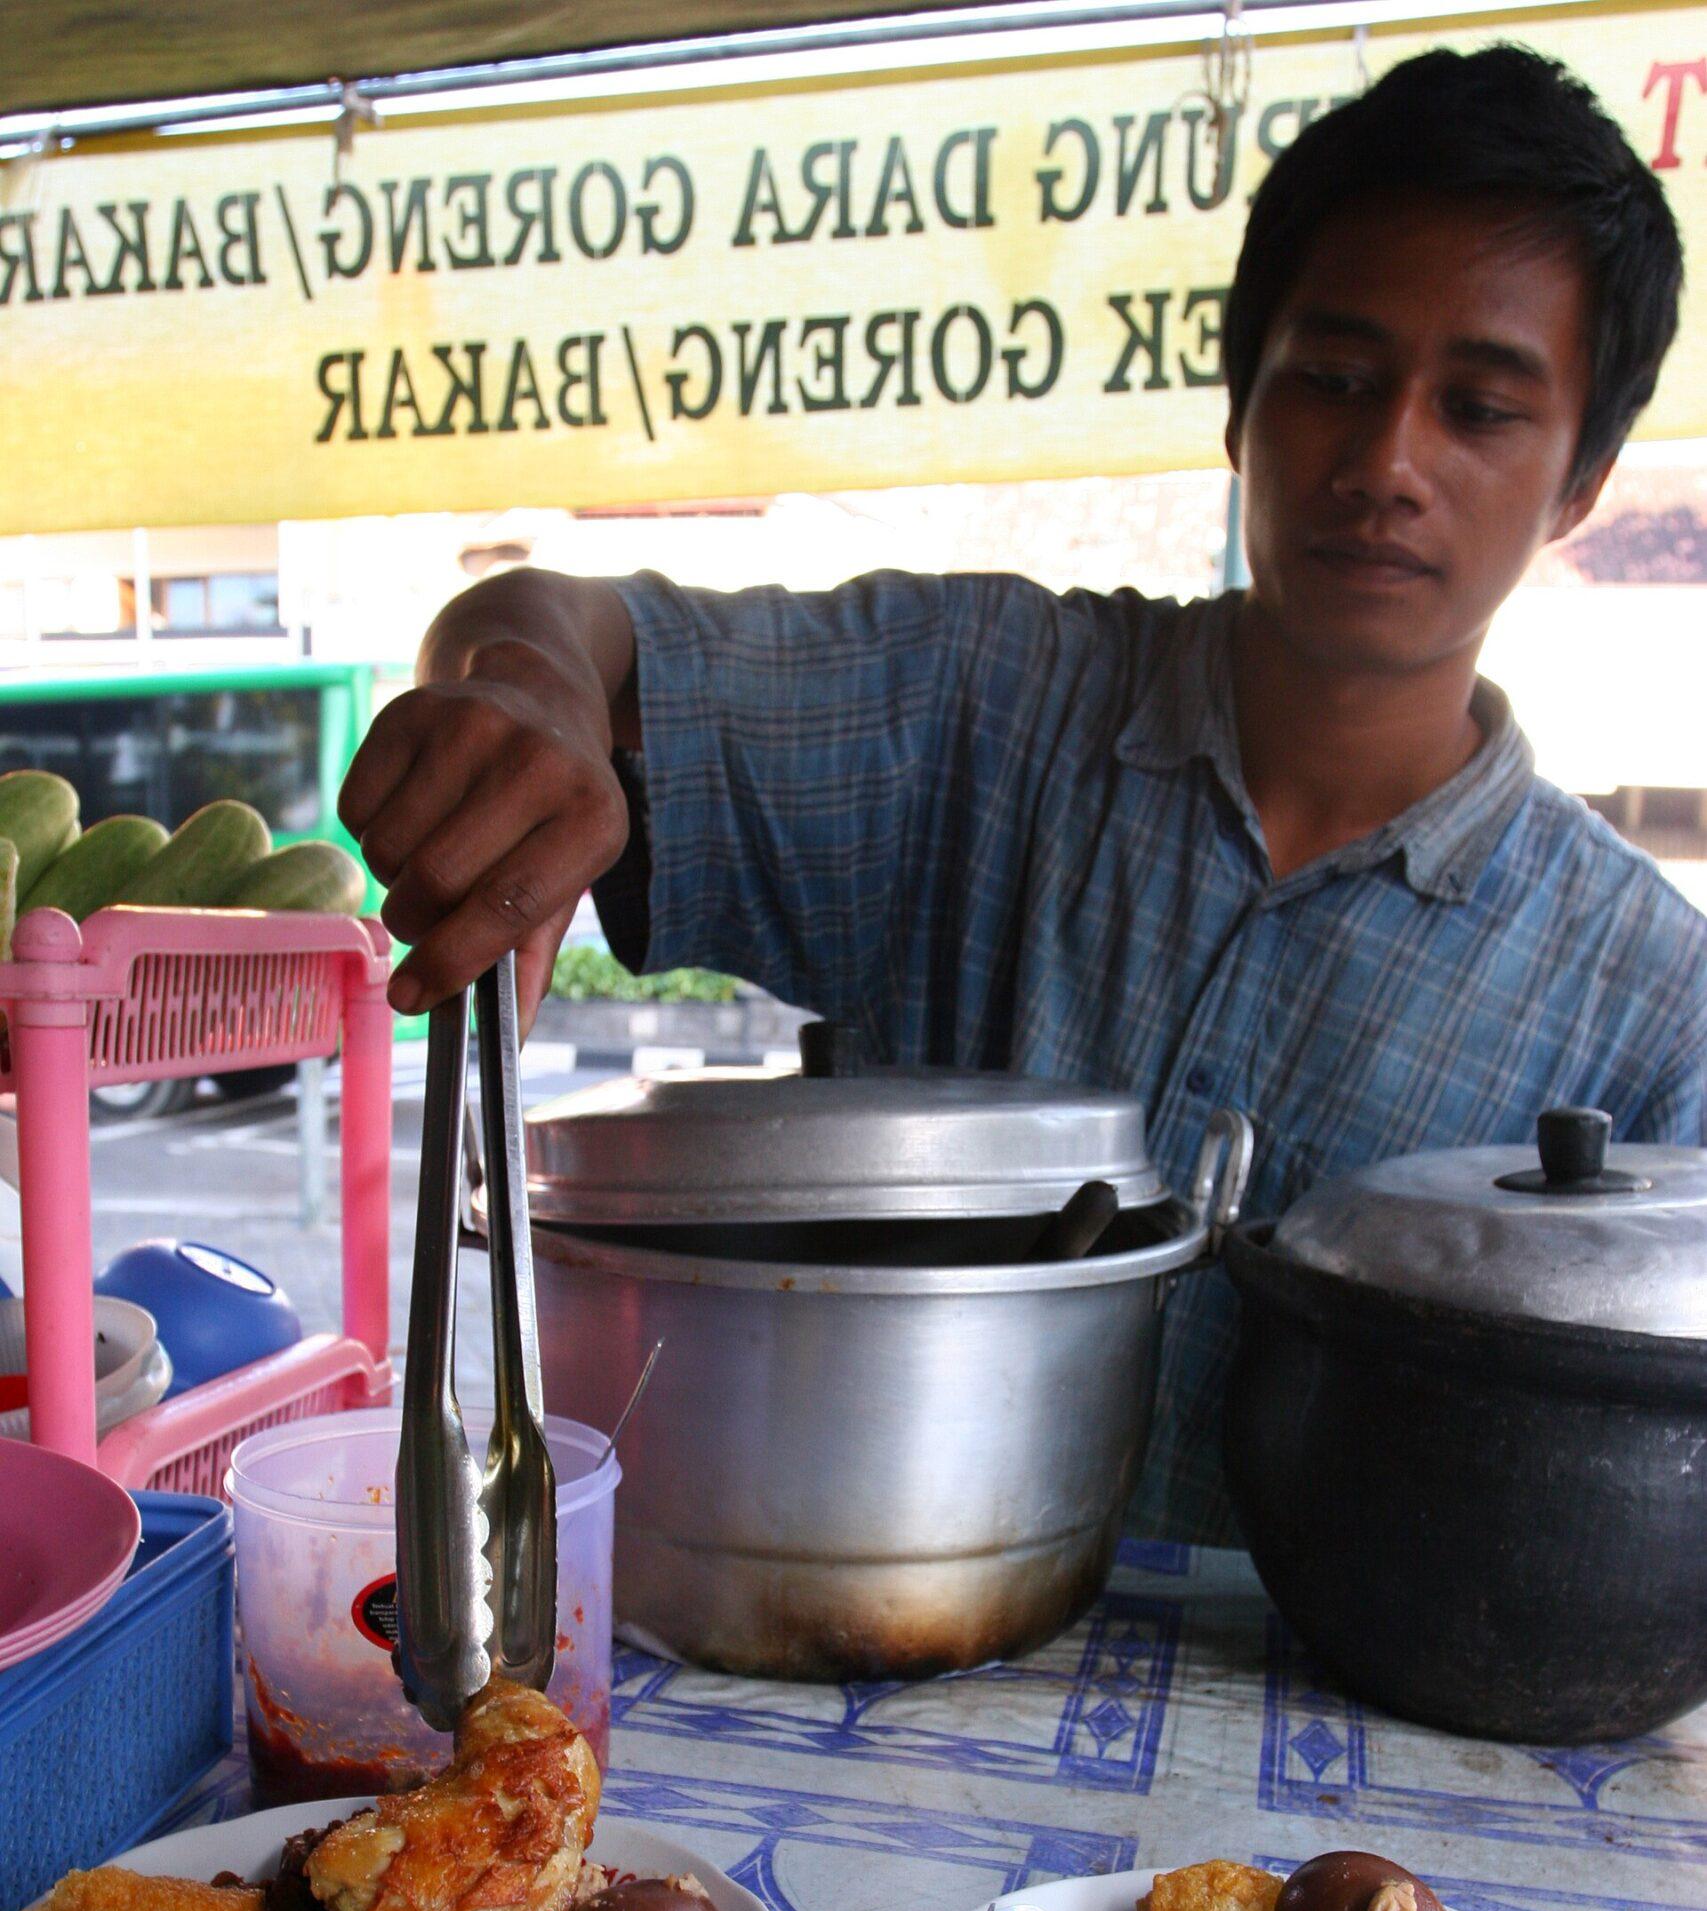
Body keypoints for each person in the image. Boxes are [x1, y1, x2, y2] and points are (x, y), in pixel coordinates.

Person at [341, 43, 1705, 1545]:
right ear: (1242, 404)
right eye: (1336, 376)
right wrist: (526, 705)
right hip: (854, 1629)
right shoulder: (982, 700)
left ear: (1581, 478)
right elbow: (573, 627)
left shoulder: (1649, 1008)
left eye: (1484, 409)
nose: (1389, 460)